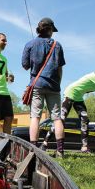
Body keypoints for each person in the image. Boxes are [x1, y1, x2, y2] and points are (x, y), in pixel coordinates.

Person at [41, 62, 95, 153]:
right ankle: (44, 143)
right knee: (61, 120)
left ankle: (84, 147)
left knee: (84, 119)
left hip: (78, 96)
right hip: (71, 93)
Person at [22, 17, 66, 156]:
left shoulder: (30, 44)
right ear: (50, 29)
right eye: (53, 30)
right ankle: (60, 151)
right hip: (54, 85)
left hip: (37, 84)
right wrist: (57, 83)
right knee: (57, 118)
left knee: (35, 117)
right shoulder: (57, 45)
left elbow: (25, 66)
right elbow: (59, 69)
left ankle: (33, 150)